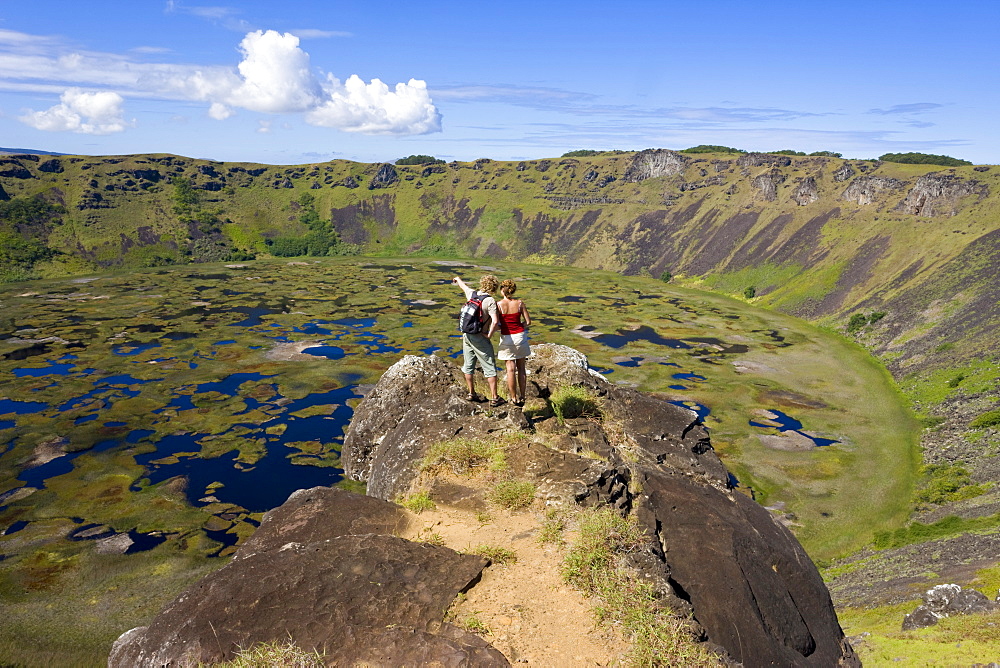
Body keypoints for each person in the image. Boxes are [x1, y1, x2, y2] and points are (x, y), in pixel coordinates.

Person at [452, 274, 503, 406]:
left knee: (468, 365)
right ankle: (494, 397)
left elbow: (464, 287)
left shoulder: (472, 295)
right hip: (480, 337)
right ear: (494, 287)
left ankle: (471, 393)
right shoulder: (490, 301)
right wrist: (489, 335)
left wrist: (458, 279)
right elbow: (495, 321)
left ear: (482, 284)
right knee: (490, 367)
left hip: (467, 335)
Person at [493, 278, 531, 407]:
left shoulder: (498, 305)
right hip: (520, 336)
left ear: (502, 290)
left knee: (510, 369)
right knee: (521, 368)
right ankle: (523, 396)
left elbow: (496, 323)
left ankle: (513, 397)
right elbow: (528, 322)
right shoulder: (520, 303)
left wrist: (502, 327)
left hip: (506, 337)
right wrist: (519, 326)